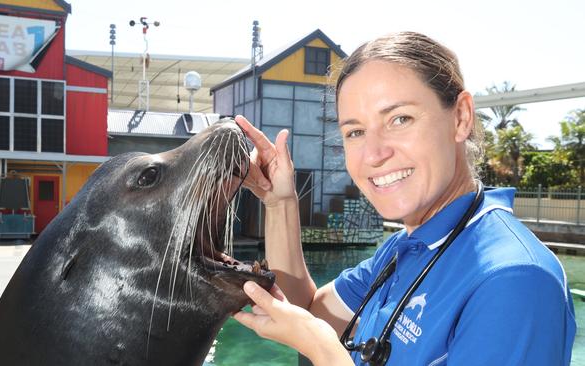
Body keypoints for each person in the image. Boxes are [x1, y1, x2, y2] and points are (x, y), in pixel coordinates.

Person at [232, 32, 576, 365]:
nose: (374, 154)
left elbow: (315, 335)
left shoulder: (516, 280)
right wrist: (279, 203)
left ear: (461, 117)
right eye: (355, 132)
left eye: (400, 119)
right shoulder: (403, 250)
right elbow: (306, 313)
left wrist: (324, 351)